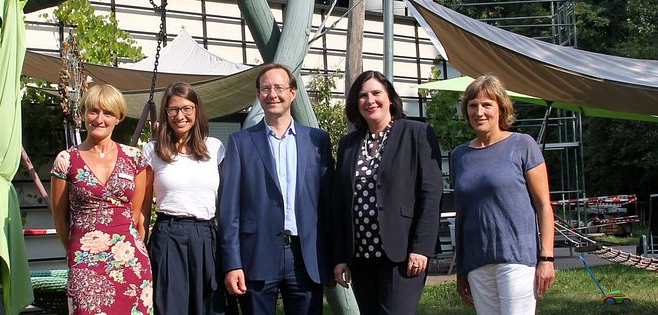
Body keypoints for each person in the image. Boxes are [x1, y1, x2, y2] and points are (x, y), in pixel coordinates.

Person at [218, 63, 334, 315]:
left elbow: (328, 206)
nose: (272, 94)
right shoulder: (241, 142)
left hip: (305, 256)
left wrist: (333, 257)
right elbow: (229, 210)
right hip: (255, 255)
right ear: (259, 95)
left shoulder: (317, 141)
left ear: (293, 93)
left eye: (279, 88)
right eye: (265, 88)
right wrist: (232, 263)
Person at [331, 70, 444, 315]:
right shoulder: (348, 145)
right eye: (362, 96)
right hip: (361, 255)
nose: (370, 100)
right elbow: (340, 204)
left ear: (390, 98)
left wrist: (421, 247)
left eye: (376, 93)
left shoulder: (416, 133)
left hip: (401, 253)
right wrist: (340, 257)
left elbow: (431, 194)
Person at [452, 74, 555, 315]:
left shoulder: (522, 145)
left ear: (501, 109)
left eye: (487, 105)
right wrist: (462, 269)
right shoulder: (459, 156)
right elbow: (462, 215)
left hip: (516, 257)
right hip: (477, 262)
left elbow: (543, 205)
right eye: (473, 105)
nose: (479, 112)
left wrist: (546, 258)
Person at [51, 84, 153, 315]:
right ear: (84, 113)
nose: (99, 119)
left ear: (118, 118)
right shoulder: (66, 160)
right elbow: (59, 220)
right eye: (93, 111)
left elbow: (136, 217)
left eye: (108, 113)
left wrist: (132, 247)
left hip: (130, 262)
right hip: (84, 263)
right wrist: (79, 253)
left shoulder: (134, 158)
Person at [141, 82, 226, 315]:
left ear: (197, 110)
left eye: (187, 108)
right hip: (168, 234)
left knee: (209, 307)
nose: (180, 116)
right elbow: (143, 207)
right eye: (173, 109)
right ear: (166, 113)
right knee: (169, 307)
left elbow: (227, 205)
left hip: (207, 236)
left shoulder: (216, 148)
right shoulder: (152, 150)